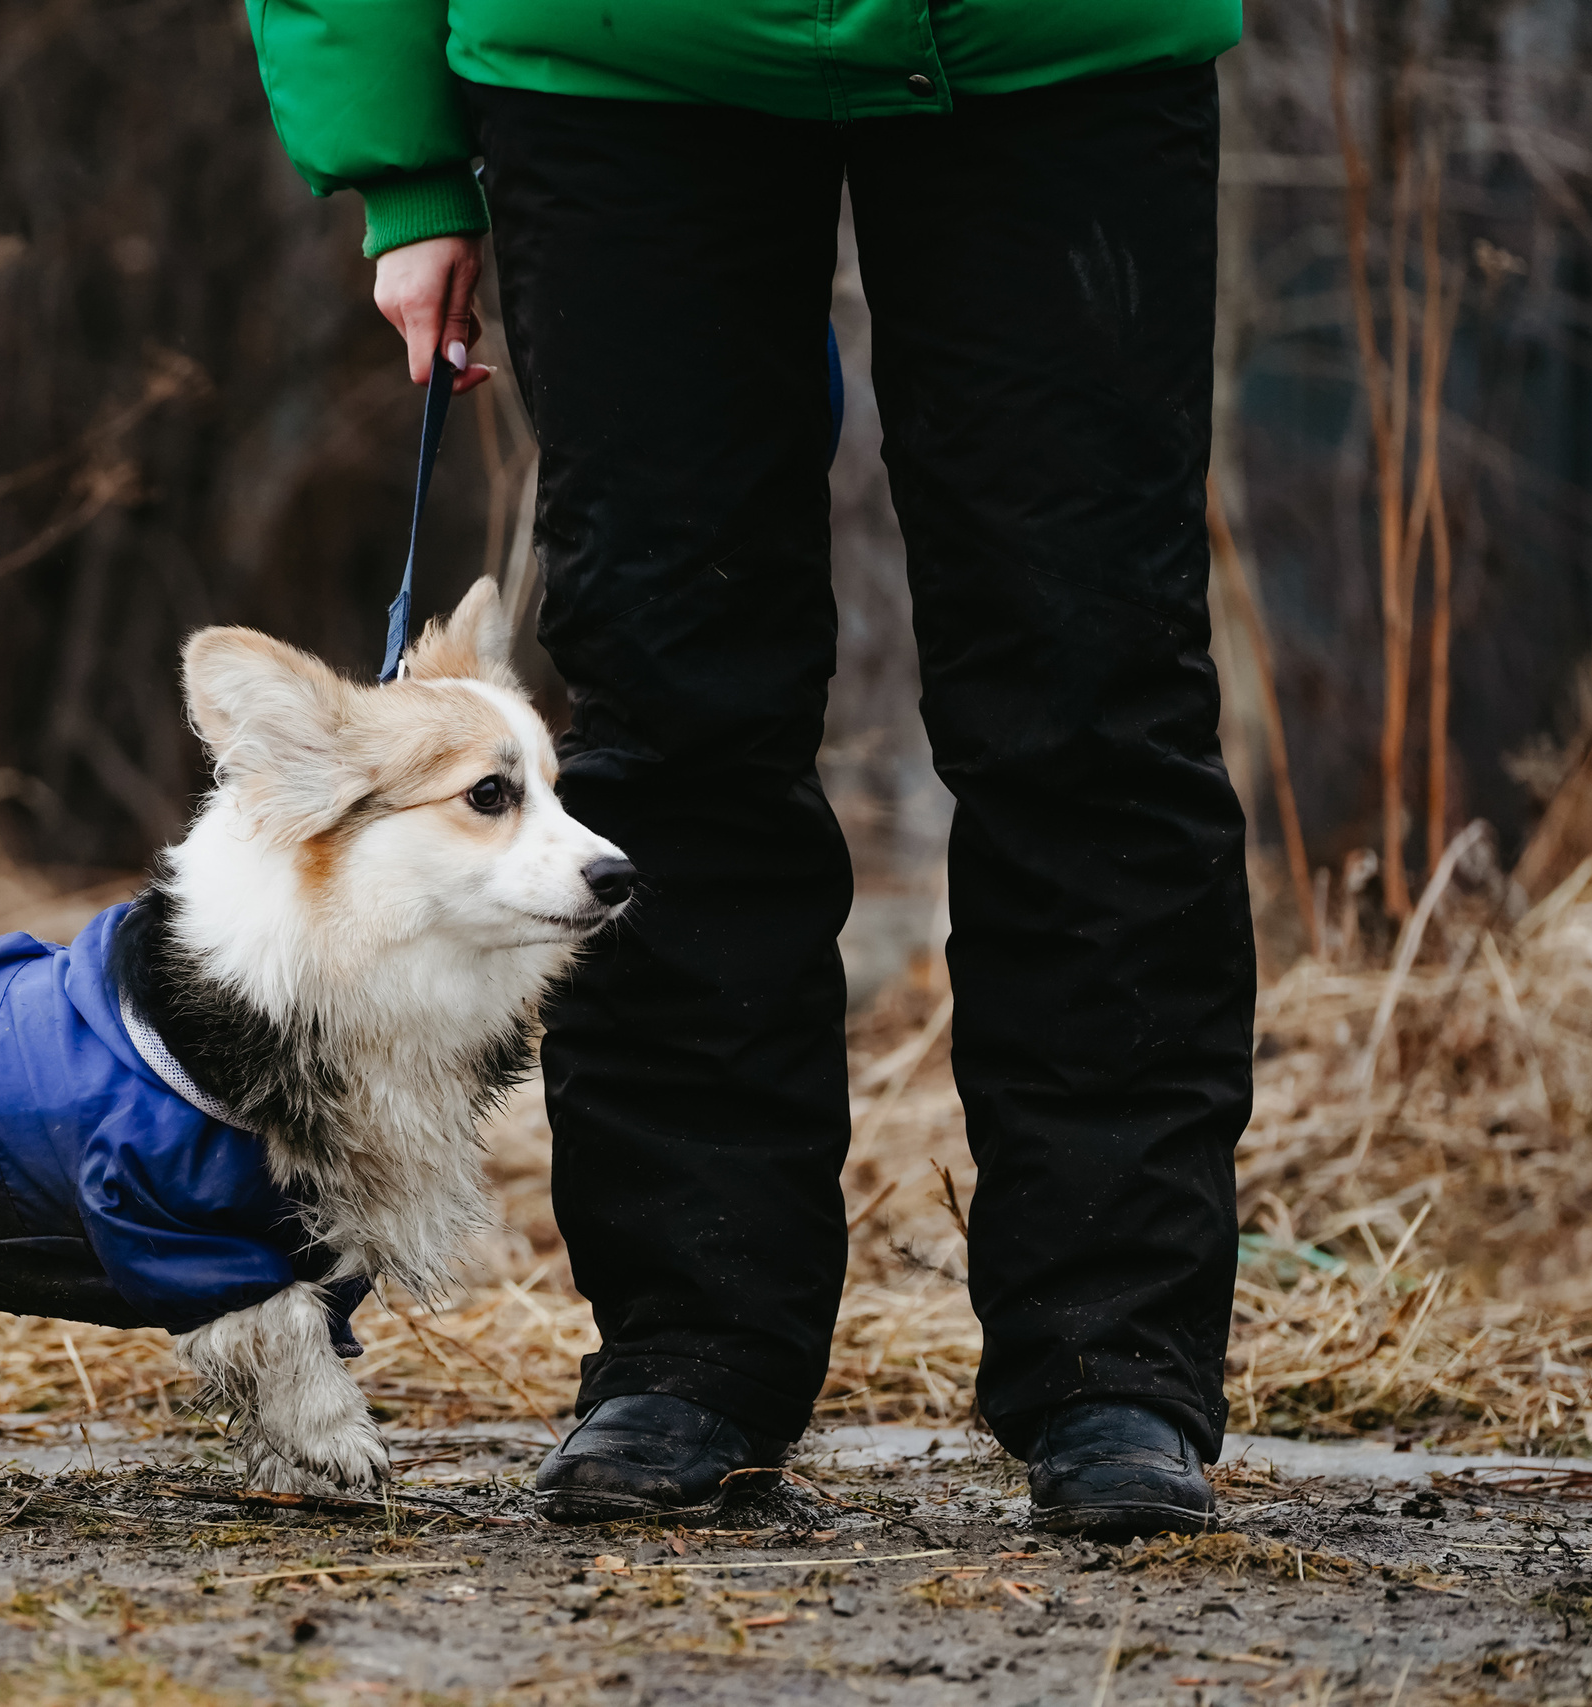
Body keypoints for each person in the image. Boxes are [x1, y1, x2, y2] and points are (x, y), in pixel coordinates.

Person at [242, 2, 1255, 1537]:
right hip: (621, 52)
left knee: (1096, 704)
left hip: (1061, 44)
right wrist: (406, 162)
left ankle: (1117, 1364)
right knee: (671, 713)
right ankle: (690, 1350)